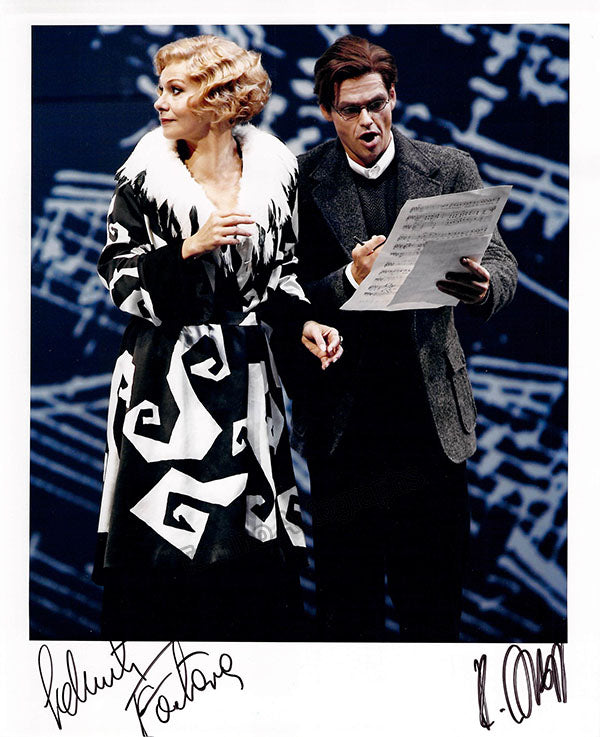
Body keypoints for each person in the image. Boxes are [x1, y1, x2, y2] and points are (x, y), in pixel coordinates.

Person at [92, 34, 342, 641]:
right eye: (161, 89)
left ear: (219, 100)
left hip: (247, 384)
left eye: (176, 90)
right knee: (162, 548)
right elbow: (118, 277)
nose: (160, 102)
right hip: (163, 384)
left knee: (248, 557)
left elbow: (281, 277)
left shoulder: (276, 177)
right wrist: (186, 249)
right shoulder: (144, 180)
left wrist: (305, 322)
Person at [279, 35, 518, 641]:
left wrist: (485, 286)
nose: (368, 121)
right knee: (348, 615)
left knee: (433, 612)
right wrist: (349, 278)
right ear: (327, 111)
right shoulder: (299, 180)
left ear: (394, 97)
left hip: (429, 426)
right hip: (344, 431)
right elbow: (284, 296)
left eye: (377, 104)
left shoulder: (448, 167)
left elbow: (501, 262)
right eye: (351, 110)